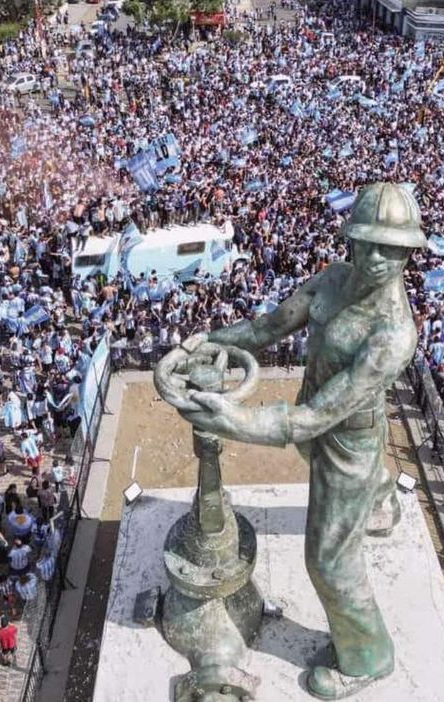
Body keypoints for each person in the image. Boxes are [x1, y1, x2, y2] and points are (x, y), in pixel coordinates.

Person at [180, 183, 426, 697]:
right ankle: (380, 498)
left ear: (409, 253)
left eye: (391, 248)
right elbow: (268, 328)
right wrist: (211, 340)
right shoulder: (331, 281)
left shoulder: (394, 334)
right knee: (325, 464)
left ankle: (367, 656)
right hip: (322, 420)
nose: (376, 258)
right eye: (367, 243)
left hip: (348, 442)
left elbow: (316, 417)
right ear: (350, 240)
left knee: (329, 562)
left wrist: (232, 421)